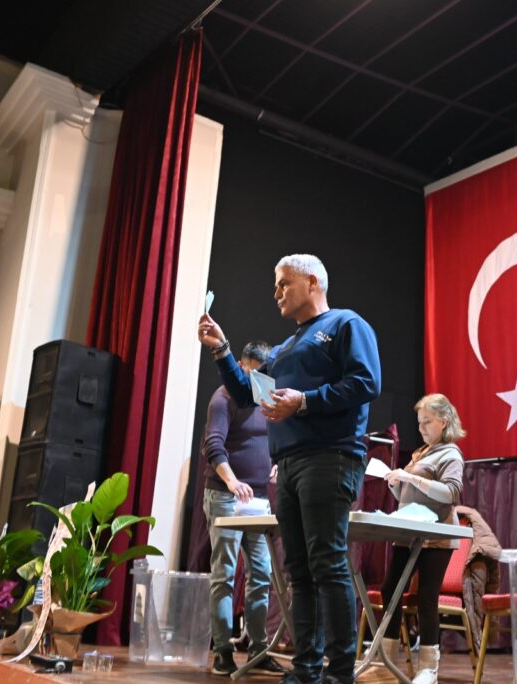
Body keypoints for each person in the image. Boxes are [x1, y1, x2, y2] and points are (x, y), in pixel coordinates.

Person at [198, 254, 381, 684]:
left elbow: (366, 382)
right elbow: (248, 394)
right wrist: (222, 350)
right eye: (275, 284)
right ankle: (306, 668)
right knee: (298, 570)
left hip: (330, 456)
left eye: (284, 283)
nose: (276, 291)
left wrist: (305, 401)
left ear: (312, 282)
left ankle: (339, 673)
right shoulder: (283, 349)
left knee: (328, 564)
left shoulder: (345, 325)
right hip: (289, 466)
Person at [201, 339, 286, 677]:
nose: (257, 381)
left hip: (259, 499)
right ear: (240, 366)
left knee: (261, 575)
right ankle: (222, 650)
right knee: (224, 573)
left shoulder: (266, 397)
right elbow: (214, 446)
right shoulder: (223, 398)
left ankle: (258, 648)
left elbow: (273, 439)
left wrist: (276, 462)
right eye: (252, 373)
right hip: (225, 494)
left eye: (263, 375)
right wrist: (233, 481)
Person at [380, 394, 465, 684]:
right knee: (391, 590)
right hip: (408, 532)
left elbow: (451, 493)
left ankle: (429, 668)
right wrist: (396, 484)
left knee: (427, 597)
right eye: (419, 423)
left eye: (427, 422)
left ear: (444, 421)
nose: (421, 428)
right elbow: (408, 496)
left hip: (436, 535)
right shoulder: (421, 452)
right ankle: (387, 658)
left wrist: (411, 478)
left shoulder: (450, 454)